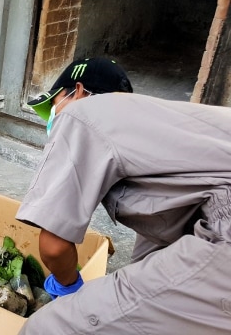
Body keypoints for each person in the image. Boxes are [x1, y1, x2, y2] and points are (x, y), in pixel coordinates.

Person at [16, 57, 231, 334]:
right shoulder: (164, 136)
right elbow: (149, 265)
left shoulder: (82, 113)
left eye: (53, 106)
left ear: (77, 91)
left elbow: (54, 247)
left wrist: (70, 288)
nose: (52, 119)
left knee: (47, 328)